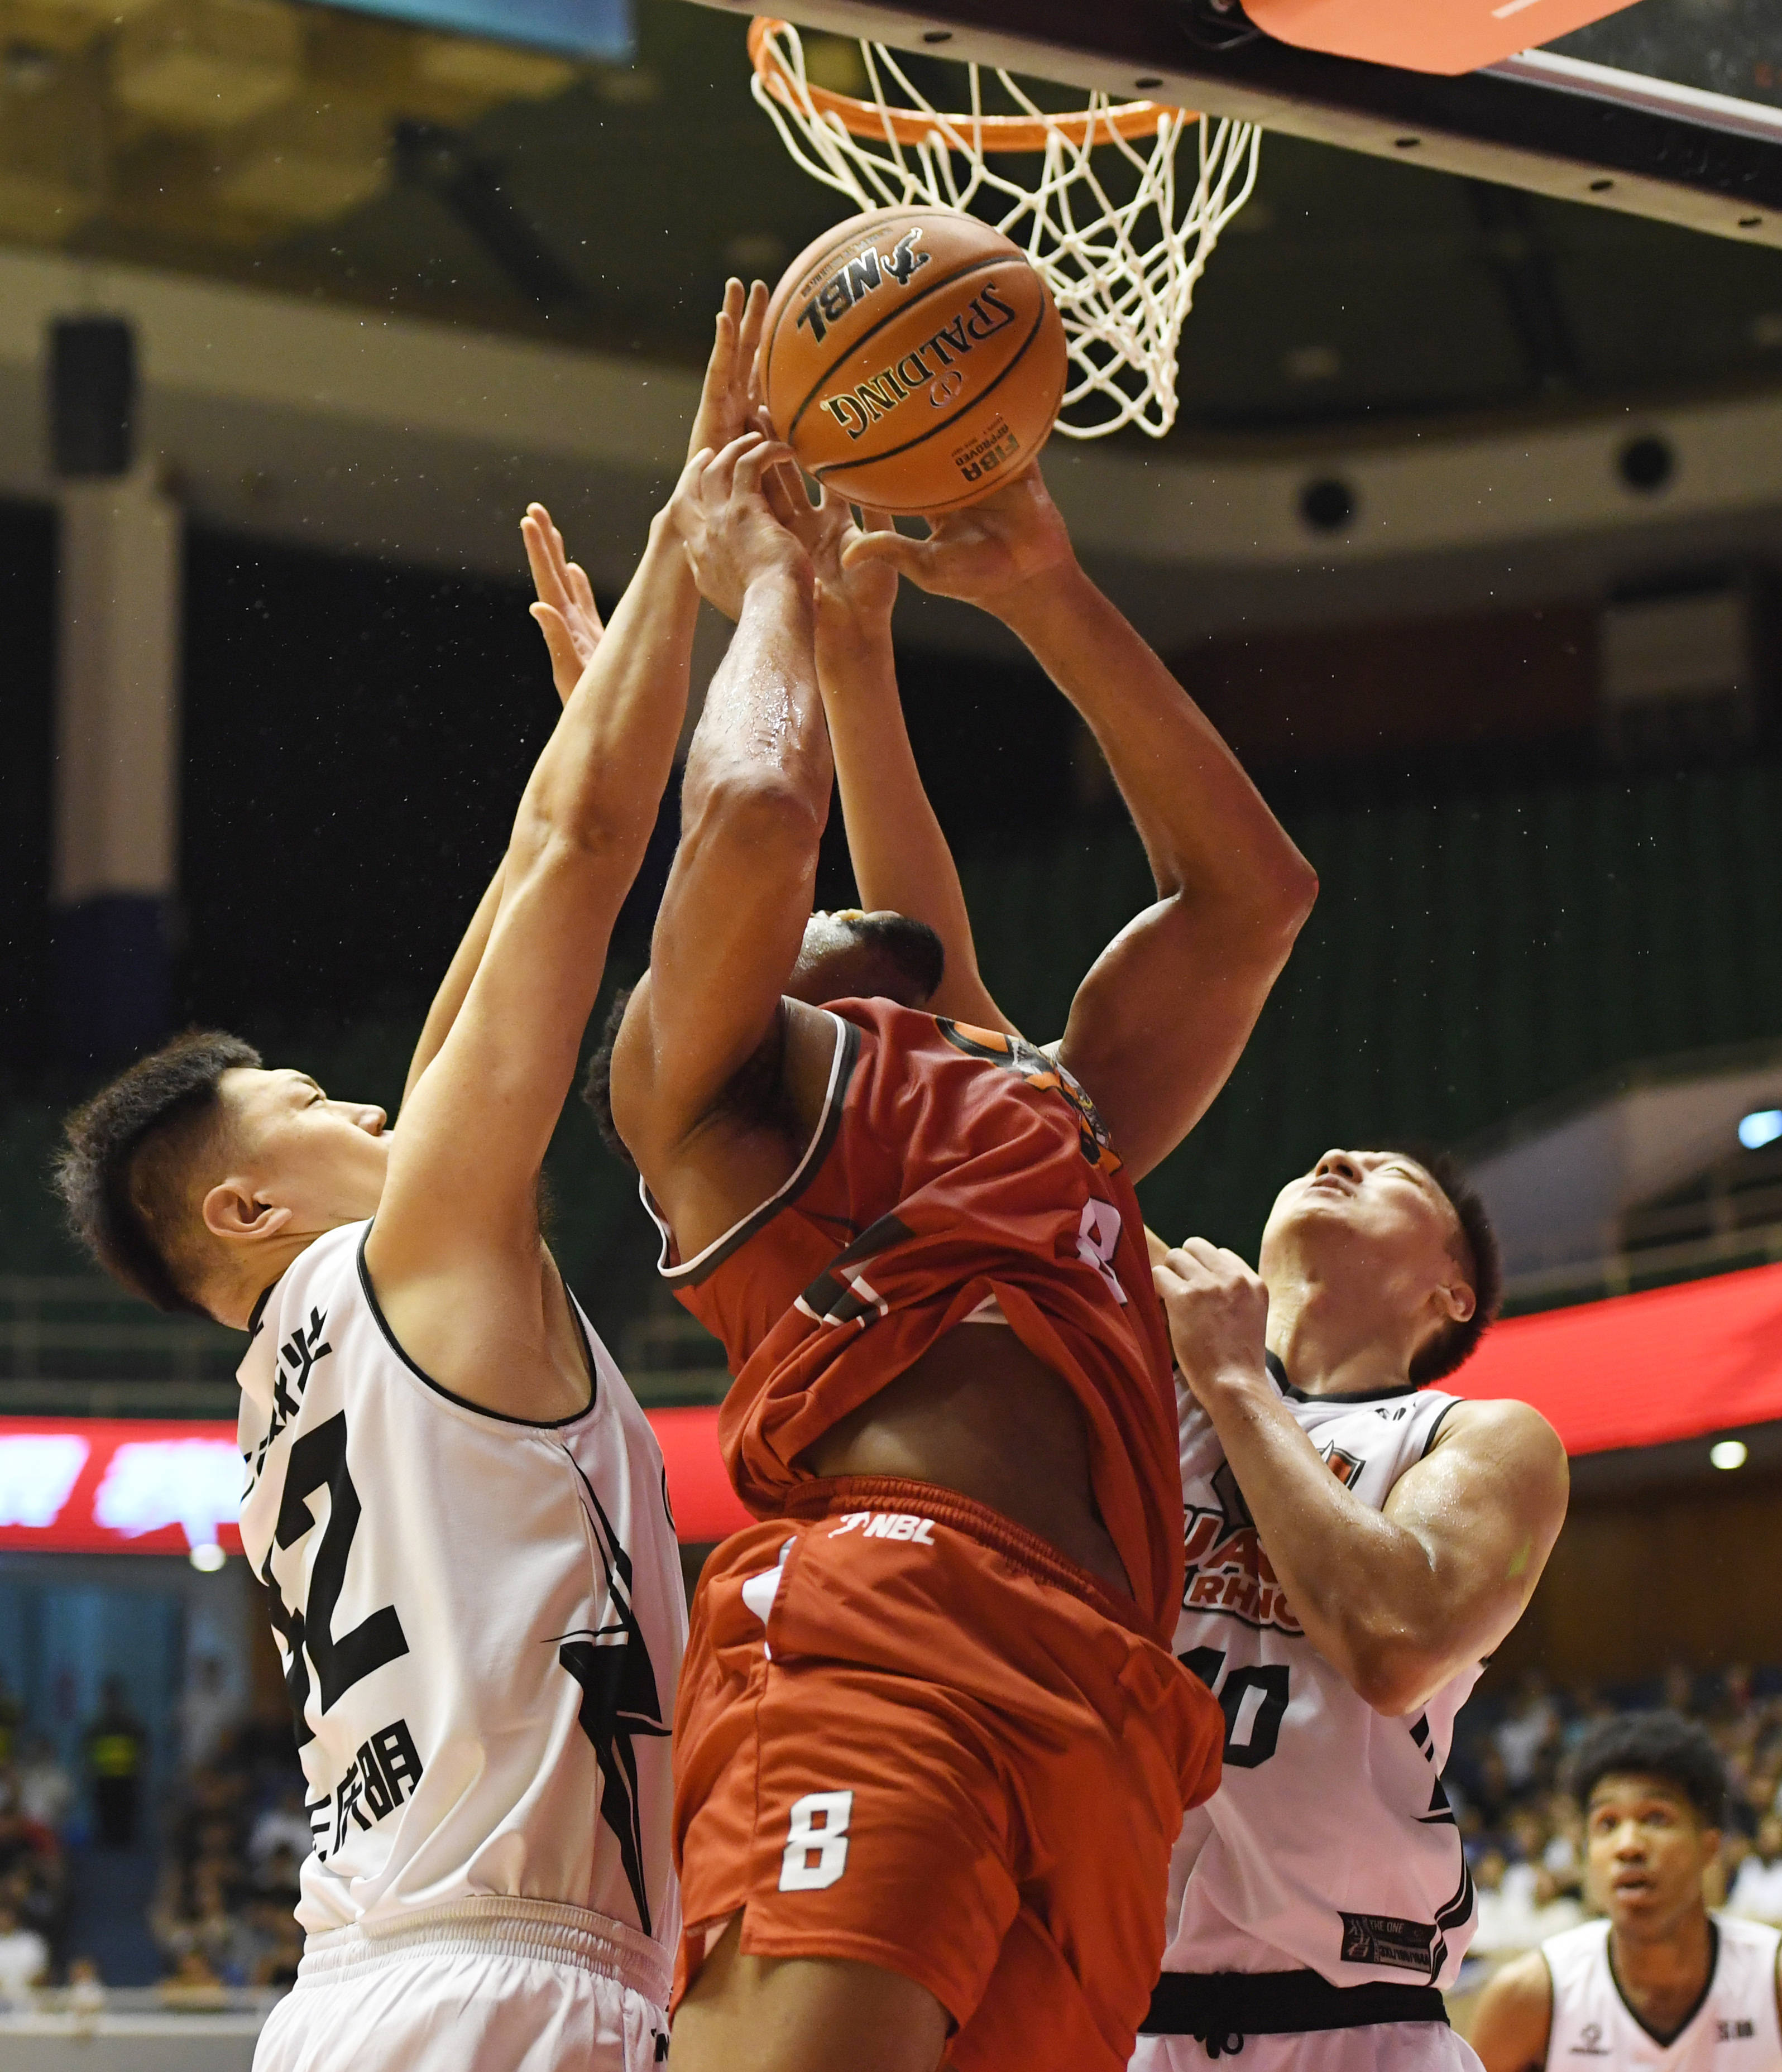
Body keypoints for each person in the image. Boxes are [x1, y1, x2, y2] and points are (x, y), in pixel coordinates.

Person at [49, 280, 777, 2072]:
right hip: (508, 1991)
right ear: (241, 1203)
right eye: (309, 1096)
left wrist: (596, 709)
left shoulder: (291, 1366)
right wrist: (686, 561)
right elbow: (580, 853)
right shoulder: (401, 1268)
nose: (373, 1102)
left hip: (381, 1987)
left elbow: (492, 957)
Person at [590, 438, 1317, 2072]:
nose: (865, 902)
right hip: (888, 1624)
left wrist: (1042, 594)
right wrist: (759, 580)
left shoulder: (1032, 1097)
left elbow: (1252, 899)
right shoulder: (720, 1106)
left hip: (1106, 1698)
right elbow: (764, 813)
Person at [1132, 1149, 1569, 2070]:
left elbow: (1394, 1642)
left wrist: (1237, 1383)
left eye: (1391, 1177)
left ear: (1451, 1292)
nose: (1336, 1157)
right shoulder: (1156, 1362)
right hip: (1114, 2017)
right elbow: (1030, 1115)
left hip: (1362, 2026)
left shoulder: (1477, 1438)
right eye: (1332, 1156)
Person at [1473, 1712, 1782, 2072]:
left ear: (1710, 1847)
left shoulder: (1772, 1978)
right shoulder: (1530, 1996)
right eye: (1607, 1823)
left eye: (1655, 1817)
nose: (1628, 1846)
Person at [83, 1676, 147, 1849]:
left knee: (125, 1814)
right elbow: (88, 1750)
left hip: (127, 1777)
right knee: (106, 1814)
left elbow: (142, 1748)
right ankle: (107, 1843)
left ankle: (125, 1843)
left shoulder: (131, 1724)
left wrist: (142, 1769)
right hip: (104, 1777)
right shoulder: (97, 1725)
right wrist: (88, 1771)